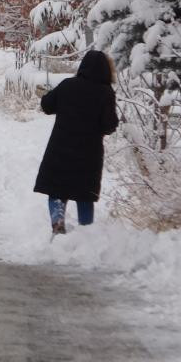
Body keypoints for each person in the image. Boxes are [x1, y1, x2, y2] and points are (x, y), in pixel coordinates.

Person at [33, 50, 119, 234]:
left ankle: (57, 221)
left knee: (57, 190)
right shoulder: (106, 93)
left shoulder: (68, 85)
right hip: (89, 153)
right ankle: (85, 232)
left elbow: (47, 105)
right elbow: (109, 126)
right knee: (85, 194)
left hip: (60, 148)